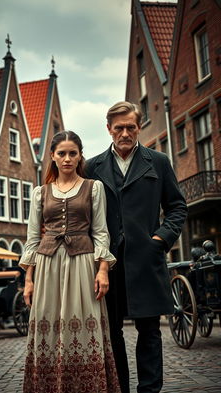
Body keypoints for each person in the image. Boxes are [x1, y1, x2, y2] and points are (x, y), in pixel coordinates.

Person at [85, 101, 188, 393]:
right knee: (112, 333)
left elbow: (177, 208)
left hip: (147, 261)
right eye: (119, 128)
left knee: (150, 333)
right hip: (108, 265)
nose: (125, 133)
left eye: (131, 127)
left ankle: (150, 390)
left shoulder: (158, 162)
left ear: (138, 127)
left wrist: (160, 240)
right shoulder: (92, 167)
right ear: (109, 129)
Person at [19, 130, 121, 393]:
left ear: (79, 156)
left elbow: (100, 232)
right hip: (47, 266)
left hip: (82, 264)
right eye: (61, 153)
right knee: (47, 326)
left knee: (83, 326)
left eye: (72, 153)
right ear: (52, 156)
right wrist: (28, 280)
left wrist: (103, 270)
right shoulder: (40, 193)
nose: (67, 158)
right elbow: (32, 238)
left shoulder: (93, 188)